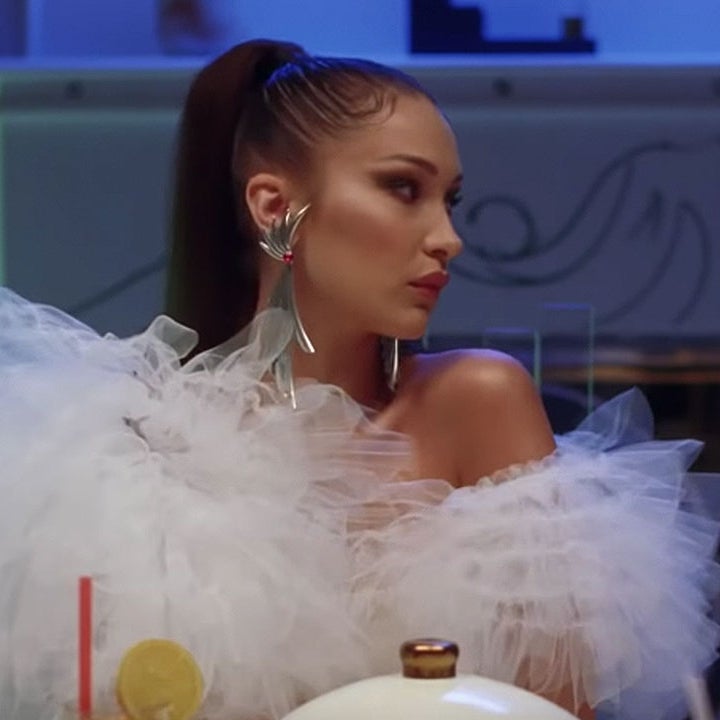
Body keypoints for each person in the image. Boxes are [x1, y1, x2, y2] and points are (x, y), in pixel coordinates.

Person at [0, 39, 717, 720]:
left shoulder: (476, 405)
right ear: (275, 208)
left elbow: (550, 711)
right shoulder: (137, 442)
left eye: (449, 200)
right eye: (402, 188)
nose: (448, 238)